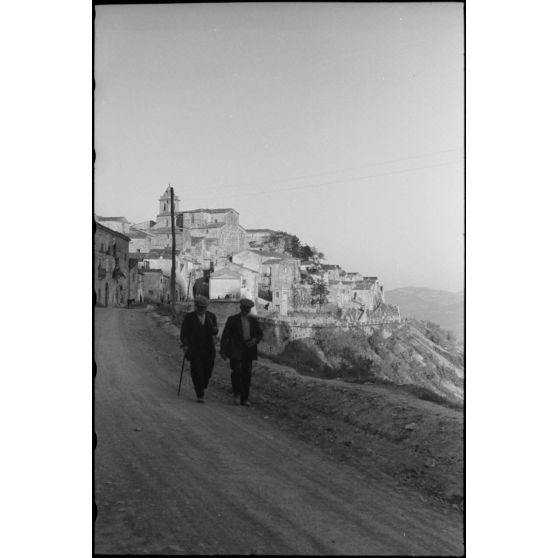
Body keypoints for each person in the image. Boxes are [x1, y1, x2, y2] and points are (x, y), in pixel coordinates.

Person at [220, 298, 263, 406]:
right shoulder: (232, 320)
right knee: (237, 372)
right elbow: (225, 336)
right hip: (236, 349)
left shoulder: (253, 320)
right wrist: (223, 350)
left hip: (249, 349)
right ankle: (236, 394)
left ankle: (244, 398)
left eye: (248, 309)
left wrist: (254, 340)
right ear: (241, 308)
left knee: (247, 374)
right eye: (245, 308)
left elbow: (259, 334)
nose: (246, 311)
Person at [180, 295, 219, 403]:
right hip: (195, 350)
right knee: (196, 372)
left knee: (208, 371)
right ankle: (200, 394)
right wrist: (185, 345)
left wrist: (215, 330)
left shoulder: (211, 317)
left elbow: (215, 332)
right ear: (196, 306)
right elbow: (183, 334)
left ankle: (203, 384)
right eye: (200, 307)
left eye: (204, 307)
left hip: (208, 350)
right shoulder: (189, 317)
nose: (202, 309)